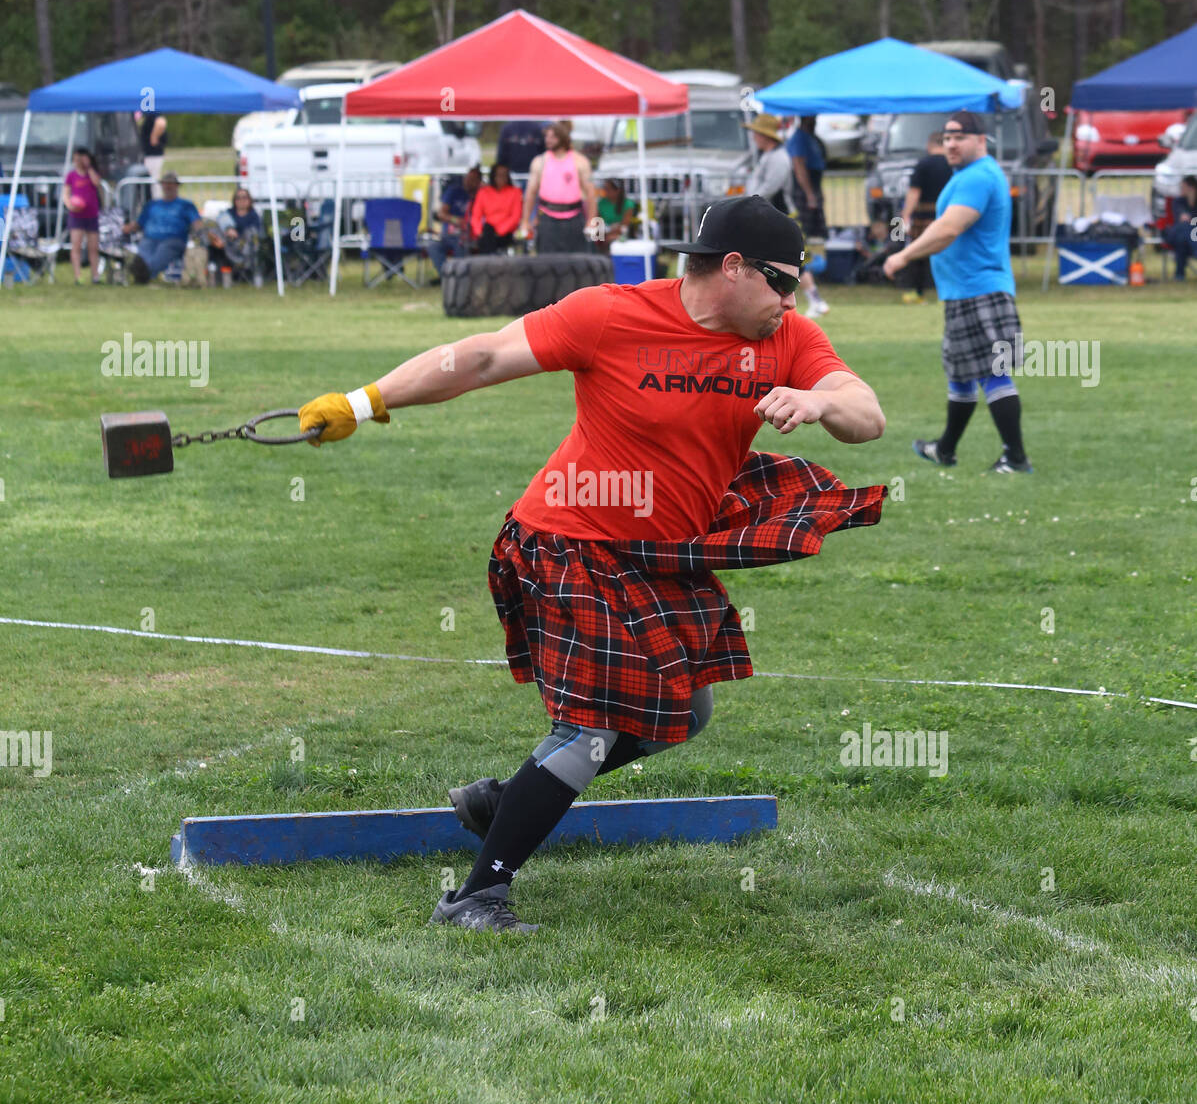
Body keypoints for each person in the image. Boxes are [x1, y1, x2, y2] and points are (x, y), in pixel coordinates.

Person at [297, 196, 886, 933]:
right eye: (781, 281)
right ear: (731, 268)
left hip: (654, 554)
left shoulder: (786, 337)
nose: (790, 299)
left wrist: (817, 399)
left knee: (684, 714)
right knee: (593, 729)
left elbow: (865, 414)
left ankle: (499, 802)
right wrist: (362, 401)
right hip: (566, 541)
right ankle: (475, 896)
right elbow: (479, 357)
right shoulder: (608, 314)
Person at [884, 110, 1030, 473]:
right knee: (961, 372)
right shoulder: (967, 175)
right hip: (963, 291)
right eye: (947, 137)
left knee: (993, 373)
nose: (950, 143)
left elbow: (949, 228)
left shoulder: (979, 176)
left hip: (980, 289)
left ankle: (1016, 458)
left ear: (980, 140)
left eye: (959, 137)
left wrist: (903, 255)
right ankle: (944, 449)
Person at [743, 113, 829, 319]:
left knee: (797, 260)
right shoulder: (768, 156)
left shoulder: (779, 158)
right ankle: (812, 300)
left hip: (783, 217)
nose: (753, 136)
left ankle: (815, 300)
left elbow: (770, 187)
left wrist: (749, 201)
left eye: (756, 132)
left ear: (765, 135)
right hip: (770, 217)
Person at [519, 122, 596, 254]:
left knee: (576, 262)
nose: (547, 140)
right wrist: (526, 221)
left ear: (562, 138)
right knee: (547, 262)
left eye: (552, 137)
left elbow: (591, 194)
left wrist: (592, 221)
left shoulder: (580, 161)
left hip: (574, 218)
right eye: (546, 136)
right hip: (547, 219)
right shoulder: (539, 162)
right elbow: (530, 194)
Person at [898, 131, 951, 302]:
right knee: (949, 254)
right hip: (949, 215)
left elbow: (914, 192)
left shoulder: (923, 164)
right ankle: (948, 290)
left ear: (930, 145)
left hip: (924, 215)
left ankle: (916, 291)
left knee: (918, 254)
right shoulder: (953, 165)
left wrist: (906, 215)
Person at [123, 171, 200, 284]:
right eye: (165, 183)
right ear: (162, 185)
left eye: (171, 183)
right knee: (144, 250)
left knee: (162, 251)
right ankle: (142, 271)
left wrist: (202, 232)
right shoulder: (152, 205)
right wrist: (125, 228)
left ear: (176, 186)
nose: (168, 186)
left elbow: (197, 223)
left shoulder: (185, 205)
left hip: (173, 239)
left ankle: (143, 273)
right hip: (150, 238)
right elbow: (139, 223)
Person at [426, 166, 481, 282]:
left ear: (479, 181)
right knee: (433, 246)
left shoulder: (481, 195)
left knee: (461, 244)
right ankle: (446, 277)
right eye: (468, 178)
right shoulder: (454, 191)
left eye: (473, 179)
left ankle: (460, 278)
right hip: (450, 234)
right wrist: (456, 220)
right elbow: (441, 214)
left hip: (469, 235)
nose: (469, 181)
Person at [64, 146, 103, 285]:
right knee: (76, 246)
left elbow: (97, 183)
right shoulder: (71, 175)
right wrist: (70, 205)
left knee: (93, 247)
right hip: (77, 216)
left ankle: (95, 275)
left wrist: (89, 167)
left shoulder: (92, 173)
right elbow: (66, 193)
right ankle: (78, 276)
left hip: (92, 214)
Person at [208, 187, 262, 282]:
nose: (241, 200)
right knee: (210, 225)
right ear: (234, 200)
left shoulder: (253, 216)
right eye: (238, 198)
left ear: (249, 200)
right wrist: (229, 228)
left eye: (244, 197)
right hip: (225, 244)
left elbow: (254, 233)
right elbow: (218, 224)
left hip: (245, 249)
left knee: (250, 234)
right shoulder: (228, 213)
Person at [787, 114, 826, 240]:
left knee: (817, 229)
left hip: (813, 184)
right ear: (807, 119)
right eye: (813, 118)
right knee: (807, 230)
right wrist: (810, 195)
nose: (815, 121)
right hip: (804, 188)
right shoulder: (799, 138)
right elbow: (799, 167)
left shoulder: (810, 137)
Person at [469, 163, 523, 254]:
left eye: (504, 175)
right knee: (487, 233)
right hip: (487, 231)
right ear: (493, 176)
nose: (502, 178)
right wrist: (479, 232)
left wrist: (500, 231)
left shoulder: (515, 192)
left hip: (506, 232)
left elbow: (516, 216)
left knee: (489, 240)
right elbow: (476, 216)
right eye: (499, 175)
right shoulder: (484, 192)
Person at [1162, 175, 1197, 280]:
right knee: (1185, 227)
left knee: (1182, 239)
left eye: (1183, 187)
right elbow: (1182, 218)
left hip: (1184, 236)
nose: (1180, 190)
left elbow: (1190, 218)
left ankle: (1179, 274)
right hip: (1176, 233)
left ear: (1191, 188)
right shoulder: (1177, 201)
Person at [594, 177, 638, 250]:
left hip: (622, 235)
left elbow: (624, 226)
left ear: (617, 191)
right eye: (605, 188)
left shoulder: (628, 204)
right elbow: (598, 223)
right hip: (604, 235)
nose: (605, 191)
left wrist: (609, 235)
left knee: (613, 239)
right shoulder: (601, 203)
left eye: (608, 189)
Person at [134, 109, 169, 198]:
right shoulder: (148, 112)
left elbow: (161, 122)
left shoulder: (152, 112)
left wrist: (154, 137)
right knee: (151, 181)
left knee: (153, 181)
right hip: (149, 153)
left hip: (153, 154)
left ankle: (156, 201)